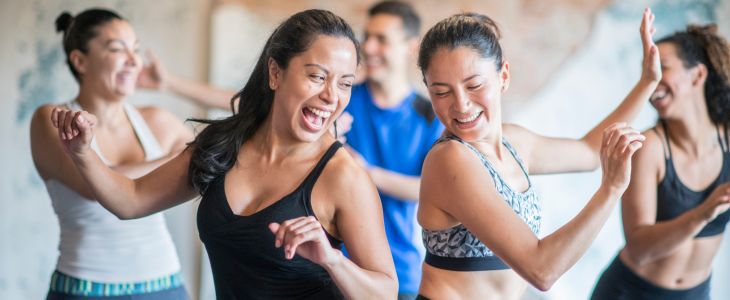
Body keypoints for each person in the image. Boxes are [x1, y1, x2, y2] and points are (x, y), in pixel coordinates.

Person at [50, 9, 397, 299]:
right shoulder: (222, 145)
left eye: (345, 83)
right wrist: (82, 153)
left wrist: (333, 261)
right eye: (317, 77)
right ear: (276, 73)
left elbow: (385, 291)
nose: (332, 96)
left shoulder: (343, 176)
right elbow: (131, 200)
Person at [415, 8, 660, 299]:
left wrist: (647, 83)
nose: (461, 105)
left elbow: (591, 151)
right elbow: (542, 270)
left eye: (474, 85)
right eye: (441, 92)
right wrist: (611, 190)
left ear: (503, 76)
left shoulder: (515, 142)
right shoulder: (450, 160)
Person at [30, 8, 192, 299]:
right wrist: (186, 157)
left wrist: (171, 84)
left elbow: (237, 138)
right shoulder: (52, 119)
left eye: (136, 50)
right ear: (79, 60)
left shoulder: (158, 121)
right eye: (118, 50)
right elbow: (99, 186)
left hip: (165, 287)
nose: (134, 61)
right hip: (84, 289)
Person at [591, 23, 730, 300]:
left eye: (662, 68)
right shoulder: (649, 148)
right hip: (630, 292)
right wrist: (703, 213)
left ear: (698, 74)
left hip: (696, 293)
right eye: (647, 72)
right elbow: (639, 249)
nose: (652, 80)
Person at [342, 2, 444, 298]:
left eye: (382, 39)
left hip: (400, 274)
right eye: (367, 36)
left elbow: (432, 191)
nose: (369, 47)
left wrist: (365, 173)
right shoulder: (341, 98)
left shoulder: (430, 117)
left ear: (411, 47)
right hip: (333, 266)